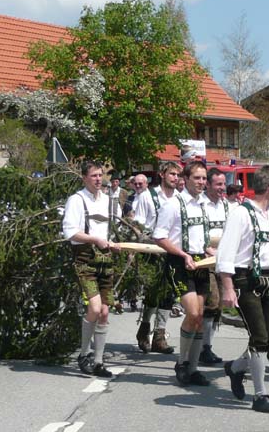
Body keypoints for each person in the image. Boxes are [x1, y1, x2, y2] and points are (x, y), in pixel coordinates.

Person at [218, 165, 269, 414]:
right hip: (244, 281)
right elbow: (226, 252)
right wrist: (228, 288)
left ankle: (236, 368)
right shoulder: (241, 214)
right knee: (259, 338)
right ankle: (260, 395)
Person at [153, 160, 211, 386]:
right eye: (197, 178)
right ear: (185, 179)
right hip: (179, 263)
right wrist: (183, 255)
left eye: (204, 178)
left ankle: (193, 368)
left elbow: (201, 238)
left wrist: (210, 250)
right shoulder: (173, 204)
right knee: (193, 314)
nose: (201, 182)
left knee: (200, 319)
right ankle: (182, 362)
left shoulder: (203, 204)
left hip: (201, 264)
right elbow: (160, 236)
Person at [63, 160, 121, 377]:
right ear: (84, 178)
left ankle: (98, 362)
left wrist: (113, 243)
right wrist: (95, 239)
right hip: (85, 259)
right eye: (94, 176)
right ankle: (83, 354)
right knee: (95, 308)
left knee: (105, 312)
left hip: (105, 260)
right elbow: (70, 232)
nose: (98, 179)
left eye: (100, 175)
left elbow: (111, 231)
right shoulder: (76, 200)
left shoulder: (108, 201)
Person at [133, 162, 182, 354]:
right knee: (153, 293)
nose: (175, 178)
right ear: (162, 175)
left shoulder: (180, 198)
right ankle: (144, 329)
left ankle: (160, 336)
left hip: (172, 251)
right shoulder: (148, 196)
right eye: (171, 174)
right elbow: (138, 225)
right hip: (153, 251)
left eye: (177, 175)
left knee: (169, 294)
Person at [199, 168, 229, 365]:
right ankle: (202, 348)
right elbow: (194, 232)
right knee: (211, 303)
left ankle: (206, 347)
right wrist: (207, 249)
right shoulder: (201, 205)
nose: (222, 188)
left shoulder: (226, 205)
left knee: (217, 307)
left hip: (222, 259)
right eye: (218, 184)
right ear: (208, 184)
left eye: (223, 184)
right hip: (205, 259)